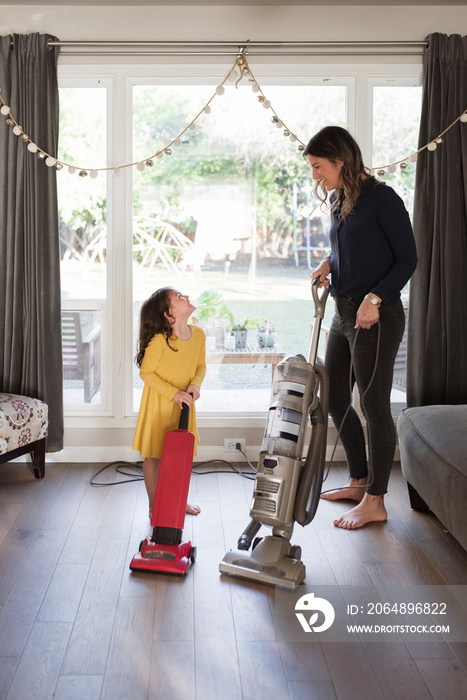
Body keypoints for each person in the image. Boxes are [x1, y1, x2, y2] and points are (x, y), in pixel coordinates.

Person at [305, 126, 417, 530]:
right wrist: (328, 263)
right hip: (342, 311)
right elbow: (350, 249)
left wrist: (374, 299)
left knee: (373, 405)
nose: (316, 175)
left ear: (340, 160)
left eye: (319, 167)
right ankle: (359, 479)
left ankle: (376, 502)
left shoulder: (383, 199)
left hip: (376, 317)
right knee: (334, 398)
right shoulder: (340, 198)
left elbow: (407, 258)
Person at [133, 286, 206, 518]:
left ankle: (178, 500)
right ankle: (155, 505)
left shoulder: (199, 335)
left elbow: (200, 367)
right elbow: (146, 373)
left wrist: (195, 385)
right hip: (160, 405)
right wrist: (173, 393)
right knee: (154, 456)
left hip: (183, 406)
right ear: (169, 314)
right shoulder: (160, 341)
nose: (186, 296)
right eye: (178, 297)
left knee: (180, 456)